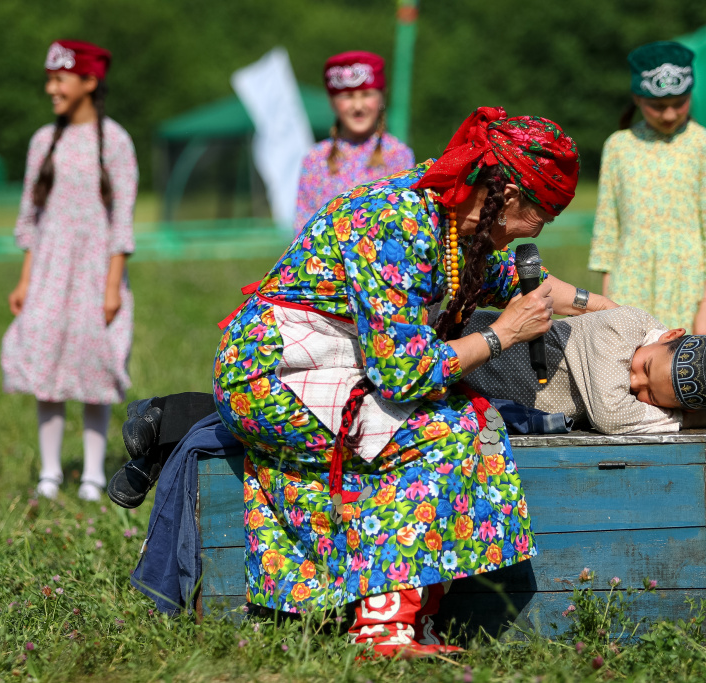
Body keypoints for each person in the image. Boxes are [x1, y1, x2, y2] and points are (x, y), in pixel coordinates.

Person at [214, 107, 615, 657]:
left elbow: (523, 283)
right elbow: (403, 375)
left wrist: (614, 313)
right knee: (443, 432)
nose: (537, 232)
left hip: (337, 364)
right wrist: (501, 335)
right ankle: (383, 628)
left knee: (473, 417)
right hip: (270, 374)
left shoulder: (454, 218)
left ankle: (414, 618)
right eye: (541, 216)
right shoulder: (393, 222)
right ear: (506, 195)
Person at [588, 41, 706, 442]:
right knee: (633, 387)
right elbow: (608, 232)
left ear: (691, 94)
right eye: (656, 104)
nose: (668, 113)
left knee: (690, 390)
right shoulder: (618, 147)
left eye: (678, 103)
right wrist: (605, 306)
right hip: (632, 287)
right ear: (637, 97)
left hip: (691, 290)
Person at [1, 40, 138, 502]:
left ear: (89, 81)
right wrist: (25, 278)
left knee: (92, 364)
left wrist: (113, 284)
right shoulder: (44, 140)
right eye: (50, 78)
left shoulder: (114, 140)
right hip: (50, 270)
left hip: (96, 271)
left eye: (59, 78)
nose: (50, 87)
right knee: (47, 361)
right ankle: (50, 471)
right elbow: (31, 214)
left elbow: (123, 216)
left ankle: (94, 474)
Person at [464, 307, 706, 434]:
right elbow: (611, 415)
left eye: (651, 396)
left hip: (478, 393)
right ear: (670, 335)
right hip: (464, 350)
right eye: (645, 367)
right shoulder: (623, 327)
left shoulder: (648, 359)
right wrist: (686, 420)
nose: (634, 383)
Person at [293, 51, 414, 235]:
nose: (358, 107)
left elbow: (407, 224)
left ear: (382, 97)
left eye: (366, 94)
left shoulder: (398, 155)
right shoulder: (315, 160)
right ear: (332, 102)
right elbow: (303, 232)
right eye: (347, 96)